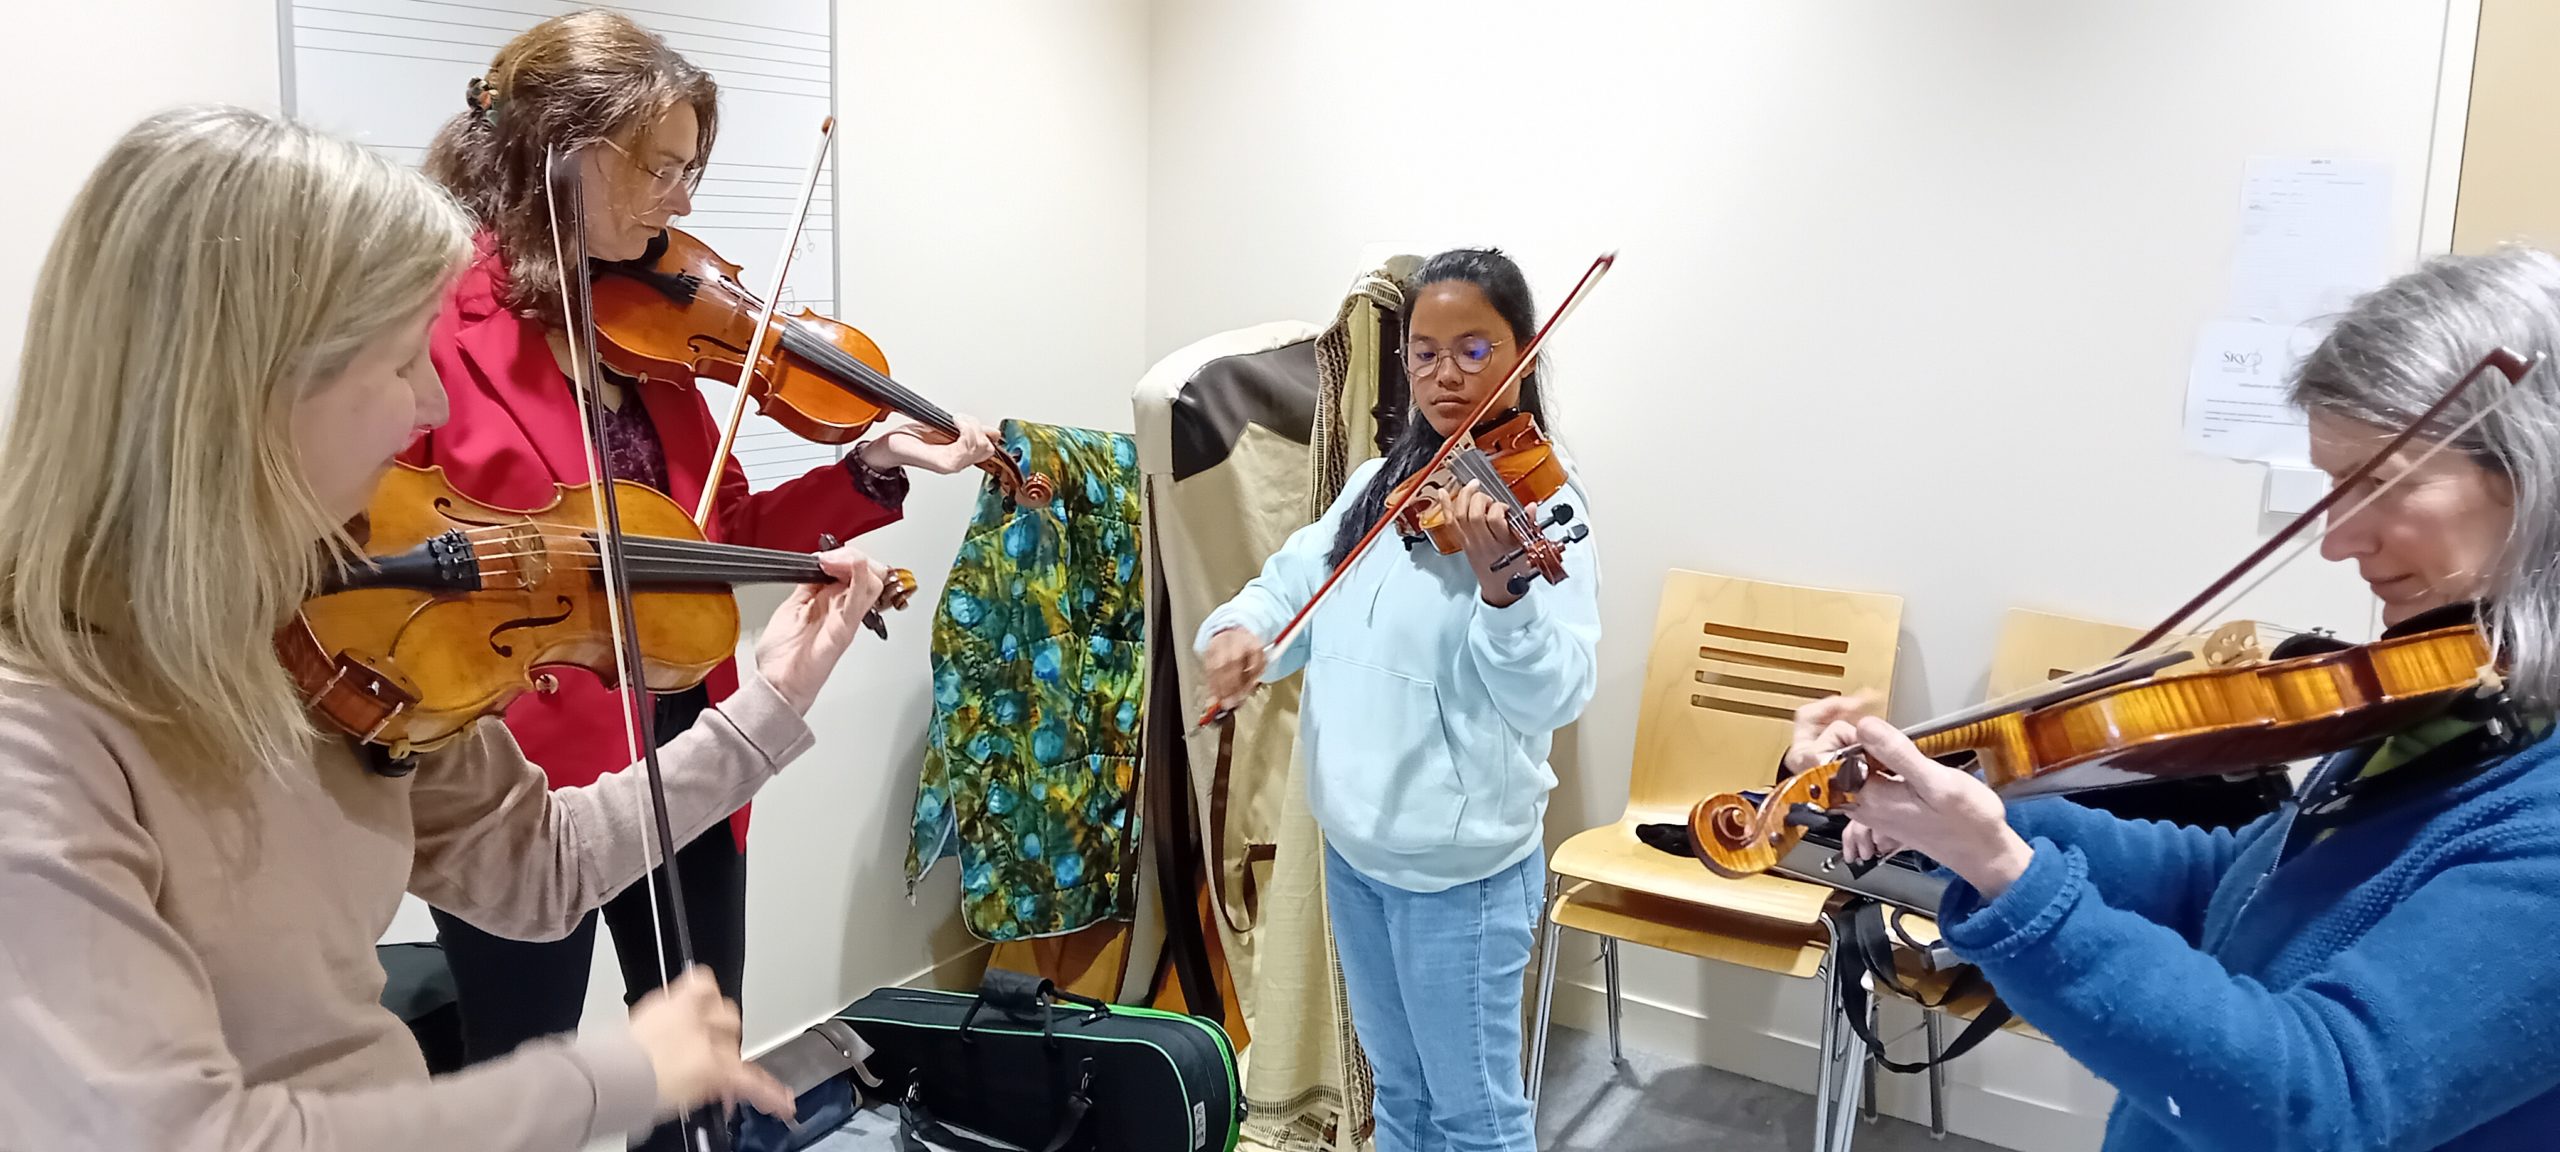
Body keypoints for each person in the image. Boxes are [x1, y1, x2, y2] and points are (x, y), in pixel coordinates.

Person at [0, 105, 893, 1150]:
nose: (431, 405)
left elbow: (540, 865)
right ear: (239, 390)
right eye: (397, 363)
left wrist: (772, 705)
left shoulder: (334, 631)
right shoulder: (39, 742)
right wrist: (609, 1080)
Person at [1794, 247, 2560, 1150]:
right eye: (2332, 485)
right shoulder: (2458, 691)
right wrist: (1969, 821)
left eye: (2383, 483)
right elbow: (2246, 888)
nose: (2337, 540)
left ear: (2537, 473)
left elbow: (2318, 1108)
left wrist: (2013, 883)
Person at [409, 10, 1001, 1124]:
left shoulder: (649, 335)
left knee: (699, 1066)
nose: (681, 205)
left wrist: (867, 468)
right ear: (562, 150)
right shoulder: (431, 326)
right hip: (519, 775)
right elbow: (394, 555)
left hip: (687, 736)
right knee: (519, 1076)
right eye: (661, 169)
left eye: (692, 170)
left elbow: (716, 534)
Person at [1199, 248, 1601, 1152]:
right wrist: (1241, 633)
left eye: (1473, 350)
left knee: (1477, 1118)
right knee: (1401, 1099)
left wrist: (1504, 596)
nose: (1444, 375)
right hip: (1358, 856)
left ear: (1522, 355)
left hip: (1461, 877)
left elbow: (1555, 695)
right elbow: (1287, 590)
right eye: (1424, 353)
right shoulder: (1377, 487)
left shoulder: (1544, 509)